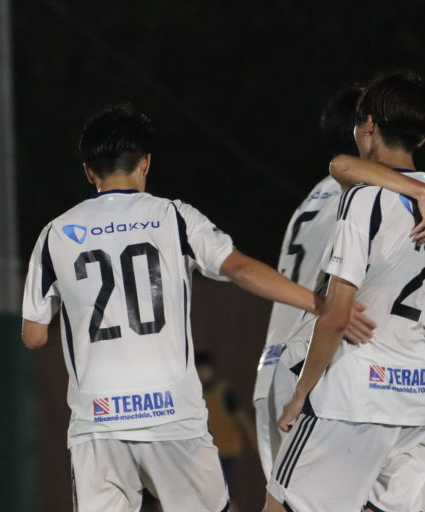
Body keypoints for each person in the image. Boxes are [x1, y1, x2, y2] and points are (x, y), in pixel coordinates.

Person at [20, 104, 374, 512]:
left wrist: (83, 324)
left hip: (97, 424)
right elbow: (239, 268)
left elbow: (34, 335)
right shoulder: (174, 217)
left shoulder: (55, 234)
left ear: (88, 171)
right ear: (146, 162)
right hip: (172, 416)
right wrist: (321, 304)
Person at [265, 72, 425, 512]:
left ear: (367, 125)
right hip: (416, 403)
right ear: (423, 138)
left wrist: (300, 394)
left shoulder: (366, 199)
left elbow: (338, 315)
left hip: (351, 394)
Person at [253, 81, 425, 481]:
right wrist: (422, 191)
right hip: (316, 361)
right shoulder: (369, 194)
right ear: (366, 127)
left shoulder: (312, 199)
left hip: (274, 363)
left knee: (287, 497)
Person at [195, 350, 255, 511]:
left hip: (227, 450)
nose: (201, 374)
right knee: (214, 495)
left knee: (221, 494)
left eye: (204, 369)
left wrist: (254, 441)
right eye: (198, 370)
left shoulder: (223, 391)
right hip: (207, 452)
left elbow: (241, 417)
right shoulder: (197, 394)